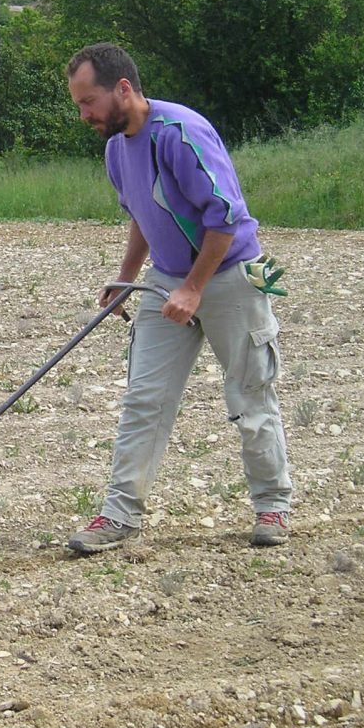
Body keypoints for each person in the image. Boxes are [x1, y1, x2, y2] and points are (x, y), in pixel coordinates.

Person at [64, 43, 292, 551]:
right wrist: (127, 276)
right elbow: (142, 214)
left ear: (123, 88)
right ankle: (119, 515)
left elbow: (226, 219)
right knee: (144, 398)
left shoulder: (179, 134)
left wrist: (194, 288)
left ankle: (273, 507)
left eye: (89, 102)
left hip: (229, 276)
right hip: (166, 279)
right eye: (79, 104)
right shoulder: (115, 149)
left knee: (249, 394)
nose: (84, 115)